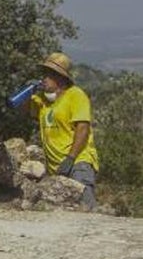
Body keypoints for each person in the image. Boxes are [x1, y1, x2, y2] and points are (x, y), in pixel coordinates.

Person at [31, 51, 99, 210]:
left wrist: (70, 158)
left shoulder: (76, 95)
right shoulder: (43, 99)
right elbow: (21, 110)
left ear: (60, 78)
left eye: (48, 75)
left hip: (78, 163)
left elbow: (83, 128)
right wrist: (27, 92)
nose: (43, 78)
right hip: (56, 168)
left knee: (86, 208)